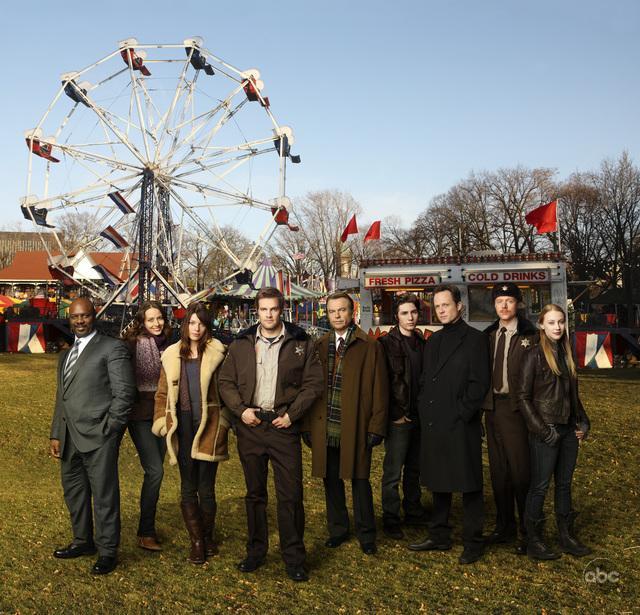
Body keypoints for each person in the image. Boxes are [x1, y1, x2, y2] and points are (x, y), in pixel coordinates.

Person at [219, 287, 323, 582]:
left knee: (290, 495)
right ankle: (256, 551)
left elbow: (313, 384)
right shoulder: (241, 343)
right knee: (255, 494)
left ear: (281, 310)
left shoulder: (300, 341)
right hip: (251, 425)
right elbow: (225, 382)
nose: (268, 315)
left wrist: (292, 415)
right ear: (257, 311)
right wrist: (241, 411)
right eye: (263, 310)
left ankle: (294, 557)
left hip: (282, 426)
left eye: (273, 309)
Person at [50, 297, 136, 575]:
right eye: (74, 317)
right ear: (69, 319)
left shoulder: (112, 348)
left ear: (93, 315)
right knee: (74, 493)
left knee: (104, 495)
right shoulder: (65, 355)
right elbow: (61, 398)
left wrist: (110, 430)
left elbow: (124, 395)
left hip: (100, 436)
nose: (79, 321)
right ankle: (82, 541)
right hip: (69, 437)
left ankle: (108, 551)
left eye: (84, 316)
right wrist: (55, 434)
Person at [302, 291, 388, 555]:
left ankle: (366, 533)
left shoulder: (369, 345)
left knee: (360, 480)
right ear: (326, 315)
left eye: (342, 310)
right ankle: (338, 528)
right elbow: (310, 388)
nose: (337, 315)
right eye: (332, 311)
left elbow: (380, 389)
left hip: (356, 423)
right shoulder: (319, 345)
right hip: (325, 422)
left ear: (352, 313)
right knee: (331, 479)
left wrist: (376, 426)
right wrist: (307, 426)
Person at [409, 284, 490, 564]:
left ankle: (473, 541)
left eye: (446, 304)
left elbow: (479, 384)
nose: (442, 310)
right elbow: (425, 380)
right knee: (438, 481)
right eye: (438, 306)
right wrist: (423, 406)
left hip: (459, 423)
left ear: (459, 306)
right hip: (433, 421)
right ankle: (439, 534)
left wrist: (461, 413)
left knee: (469, 484)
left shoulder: (476, 340)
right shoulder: (433, 340)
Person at [152, 302, 231, 565]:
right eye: (192, 323)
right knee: (188, 487)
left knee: (207, 488)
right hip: (182, 426)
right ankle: (196, 541)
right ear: (186, 325)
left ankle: (208, 537)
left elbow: (229, 391)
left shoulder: (218, 354)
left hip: (209, 425)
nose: (196, 328)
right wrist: (162, 421)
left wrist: (225, 423)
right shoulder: (172, 355)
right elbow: (162, 393)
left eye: (202, 323)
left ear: (207, 327)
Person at [517, 304, 591, 560]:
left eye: (560, 322)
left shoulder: (567, 354)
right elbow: (523, 398)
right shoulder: (533, 356)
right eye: (551, 322)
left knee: (564, 485)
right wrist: (543, 431)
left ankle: (566, 537)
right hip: (546, 430)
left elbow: (572, 396)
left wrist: (583, 422)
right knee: (539, 486)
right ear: (541, 325)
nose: (557, 327)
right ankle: (534, 541)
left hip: (569, 430)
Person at [482, 283, 537, 554]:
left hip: (516, 410)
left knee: (520, 472)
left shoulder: (531, 335)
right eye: (499, 301)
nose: (504, 306)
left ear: (519, 303)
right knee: (498, 472)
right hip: (492, 409)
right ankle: (504, 526)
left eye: (509, 300)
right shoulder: (489, 334)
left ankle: (528, 531)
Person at [377, 293, 427, 540]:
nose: (410, 317)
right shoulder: (386, 344)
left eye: (414, 312)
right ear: (396, 316)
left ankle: (414, 510)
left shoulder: (421, 341)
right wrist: (396, 415)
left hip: (420, 417)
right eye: (405, 313)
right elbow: (383, 384)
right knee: (393, 471)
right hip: (399, 418)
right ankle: (391, 517)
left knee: (415, 468)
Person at [123, 301, 170, 552]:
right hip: (140, 414)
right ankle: (145, 531)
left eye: (159, 318)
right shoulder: (131, 346)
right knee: (155, 471)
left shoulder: (171, 345)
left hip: (163, 413)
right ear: (142, 322)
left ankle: (147, 526)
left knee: (157, 470)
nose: (156, 323)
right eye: (150, 319)